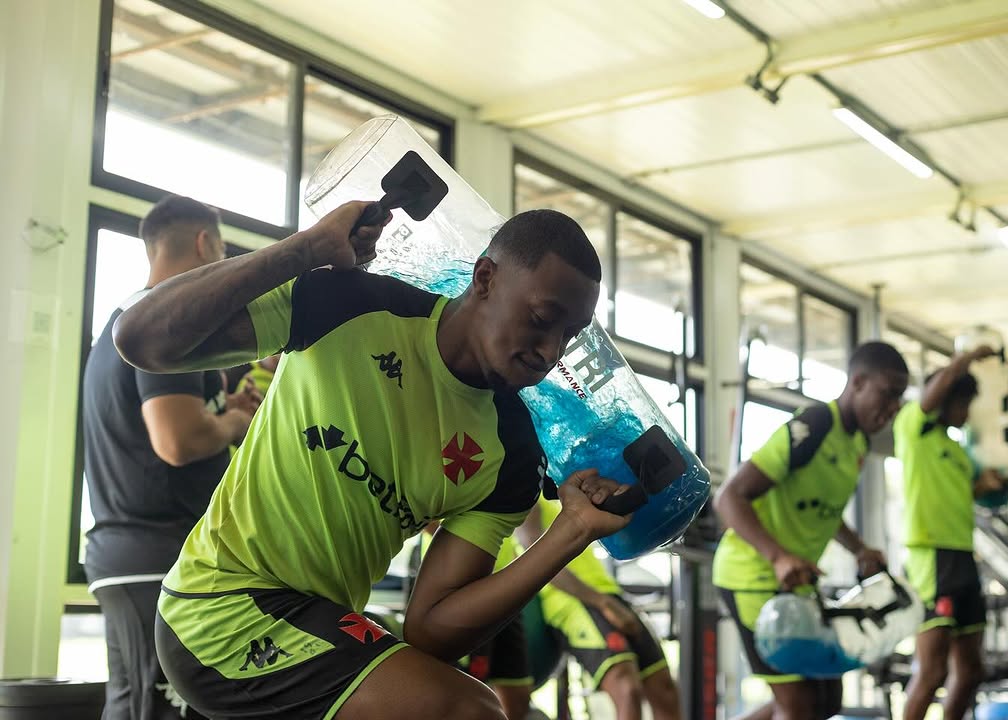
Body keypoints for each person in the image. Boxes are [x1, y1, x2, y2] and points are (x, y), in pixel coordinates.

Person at [113, 202, 632, 720]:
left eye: (569, 336)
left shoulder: (512, 454)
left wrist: (570, 532)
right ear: (485, 278)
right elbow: (140, 338)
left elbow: (431, 629)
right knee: (472, 712)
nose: (549, 351)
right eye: (541, 320)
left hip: (317, 624)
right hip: (219, 606)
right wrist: (305, 249)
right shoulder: (350, 304)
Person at [82, 195, 260, 720]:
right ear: (206, 243)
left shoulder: (130, 318)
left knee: (137, 704)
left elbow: (164, 424)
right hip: (154, 554)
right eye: (224, 249)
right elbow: (176, 442)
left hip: (131, 554)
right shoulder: (169, 320)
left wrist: (219, 404)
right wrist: (233, 423)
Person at [712, 341, 909, 720]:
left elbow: (825, 509)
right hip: (751, 575)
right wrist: (779, 556)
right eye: (887, 394)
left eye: (899, 399)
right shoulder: (814, 425)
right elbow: (729, 498)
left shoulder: (857, 444)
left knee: (826, 699)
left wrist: (859, 548)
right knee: (799, 705)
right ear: (858, 382)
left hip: (795, 581)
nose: (893, 408)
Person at [895, 346, 1004, 720]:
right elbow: (934, 392)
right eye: (962, 403)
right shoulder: (914, 429)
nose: (966, 412)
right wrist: (969, 355)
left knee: (972, 671)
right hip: (931, 557)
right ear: (945, 398)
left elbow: (953, 496)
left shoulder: (957, 452)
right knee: (933, 671)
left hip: (962, 556)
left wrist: (981, 487)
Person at [517, 497, 682, 720]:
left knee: (665, 690)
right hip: (572, 602)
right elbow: (535, 559)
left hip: (607, 592)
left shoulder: (561, 495)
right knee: (627, 688)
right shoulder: (529, 497)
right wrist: (602, 603)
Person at [417, 525, 535, 720]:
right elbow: (427, 519)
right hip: (459, 584)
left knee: (517, 695)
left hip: (504, 584)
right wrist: (468, 552)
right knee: (464, 695)